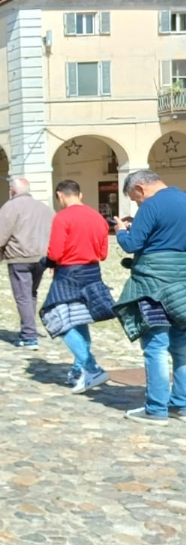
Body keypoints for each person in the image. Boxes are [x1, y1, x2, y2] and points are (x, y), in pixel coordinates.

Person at [113, 170, 186, 425]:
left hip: (151, 285)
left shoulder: (151, 205)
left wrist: (121, 230)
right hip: (182, 285)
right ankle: (182, 404)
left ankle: (156, 409)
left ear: (141, 188)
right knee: (181, 347)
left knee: (155, 346)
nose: (137, 203)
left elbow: (132, 244)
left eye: (135, 199)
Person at [40, 180, 114, 393]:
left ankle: (92, 367)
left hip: (69, 274)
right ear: (80, 194)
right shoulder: (98, 218)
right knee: (80, 319)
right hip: (92, 271)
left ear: (59, 195)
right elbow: (103, 253)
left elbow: (54, 252)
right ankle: (77, 370)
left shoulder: (63, 217)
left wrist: (48, 263)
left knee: (58, 319)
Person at [0, 177, 54, 349]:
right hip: (41, 257)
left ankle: (29, 336)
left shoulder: (10, 207)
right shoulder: (44, 209)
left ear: (12, 191)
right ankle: (28, 330)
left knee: (23, 296)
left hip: (19, 257)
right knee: (31, 294)